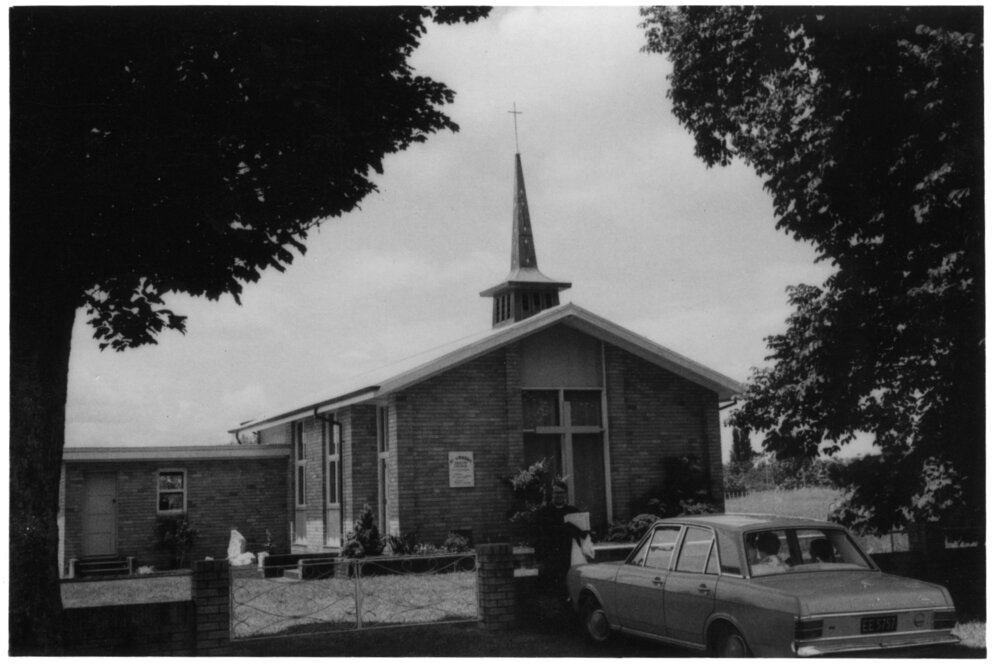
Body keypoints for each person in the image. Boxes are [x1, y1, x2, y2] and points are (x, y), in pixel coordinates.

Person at [534, 479, 586, 594]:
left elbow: (582, 534)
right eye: (556, 493)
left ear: (565, 494)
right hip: (550, 560)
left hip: (568, 558)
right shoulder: (544, 513)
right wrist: (540, 560)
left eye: (561, 492)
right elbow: (538, 537)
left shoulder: (573, 511)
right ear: (552, 494)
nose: (559, 495)